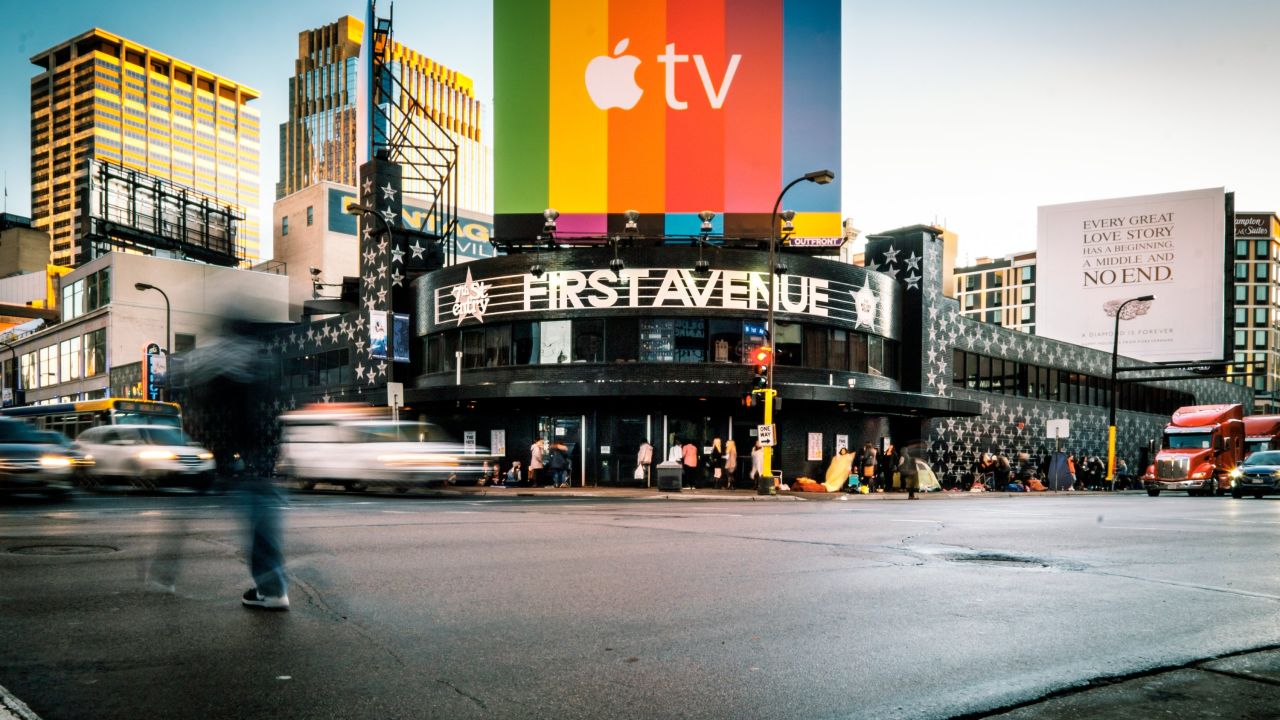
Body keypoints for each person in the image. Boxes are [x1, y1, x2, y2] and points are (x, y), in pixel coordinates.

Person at [181, 312, 287, 610]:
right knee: (264, 524)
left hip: (240, 461)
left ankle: (271, 590)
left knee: (258, 523)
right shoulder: (262, 362)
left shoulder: (220, 365)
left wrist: (221, 459)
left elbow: (212, 418)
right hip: (262, 458)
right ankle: (273, 587)